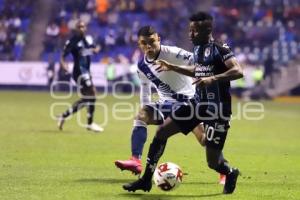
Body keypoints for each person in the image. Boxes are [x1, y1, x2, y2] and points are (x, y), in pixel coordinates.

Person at [123, 12, 243, 194]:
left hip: (217, 110)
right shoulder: (197, 48)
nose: (190, 34)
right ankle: (146, 180)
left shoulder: (220, 48)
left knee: (212, 161)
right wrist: (174, 67)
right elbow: (198, 69)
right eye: (190, 30)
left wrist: (212, 79)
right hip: (196, 104)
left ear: (207, 30)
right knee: (162, 131)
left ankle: (230, 172)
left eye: (194, 31)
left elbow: (237, 71)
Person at [115, 25, 207, 175]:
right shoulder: (142, 65)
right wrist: (145, 111)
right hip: (166, 104)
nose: (148, 46)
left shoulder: (173, 53)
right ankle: (135, 160)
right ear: (139, 44)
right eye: (144, 43)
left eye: (152, 41)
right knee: (141, 116)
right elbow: (145, 92)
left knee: (204, 140)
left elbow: (199, 62)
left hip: (189, 102)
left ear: (159, 39)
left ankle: (221, 167)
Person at [57, 20, 103, 132]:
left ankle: (64, 115)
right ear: (76, 28)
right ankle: (89, 124)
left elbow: (94, 49)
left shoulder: (87, 40)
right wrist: (63, 64)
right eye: (79, 27)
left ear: (85, 28)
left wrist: (95, 49)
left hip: (86, 71)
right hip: (79, 72)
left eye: (83, 26)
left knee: (87, 98)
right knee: (92, 94)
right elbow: (63, 55)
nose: (82, 28)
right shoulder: (72, 41)